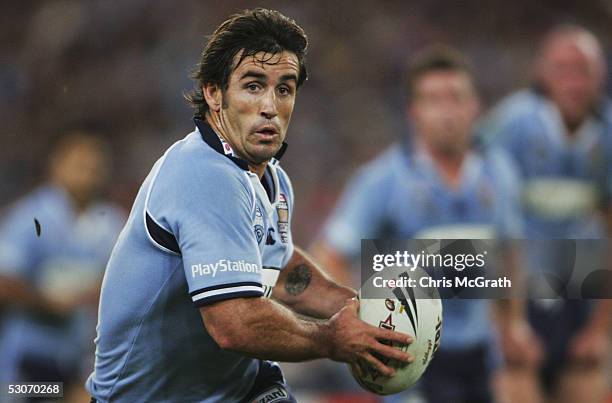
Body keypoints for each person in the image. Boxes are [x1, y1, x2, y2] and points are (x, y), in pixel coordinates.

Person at [85, 8, 413, 403]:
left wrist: (354, 308)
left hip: (236, 389)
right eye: (253, 86)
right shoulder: (202, 175)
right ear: (214, 93)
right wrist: (332, 339)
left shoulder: (270, 179)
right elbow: (234, 323)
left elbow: (280, 268)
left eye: (284, 88)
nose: (271, 106)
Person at [312, 46, 539, 403]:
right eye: (434, 99)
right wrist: (360, 320)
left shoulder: (499, 173)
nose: (447, 111)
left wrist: (514, 323)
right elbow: (329, 255)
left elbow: (509, 249)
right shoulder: (382, 179)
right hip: (411, 357)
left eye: (456, 97)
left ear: (474, 106)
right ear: (414, 112)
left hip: (480, 353)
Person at [482, 24, 611, 403]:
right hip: (520, 293)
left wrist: (602, 329)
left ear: (600, 74)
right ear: (542, 73)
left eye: (583, 69)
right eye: (562, 69)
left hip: (581, 295)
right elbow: (487, 228)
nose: (573, 81)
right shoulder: (510, 127)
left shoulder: (607, 135)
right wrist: (504, 324)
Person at [0, 132, 125, 402]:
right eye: (80, 164)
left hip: (81, 358)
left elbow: (123, 280)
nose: (88, 173)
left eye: (95, 166)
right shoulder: (29, 216)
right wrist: (46, 302)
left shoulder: (111, 223)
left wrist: (96, 291)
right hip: (28, 361)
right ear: (56, 165)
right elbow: (4, 281)